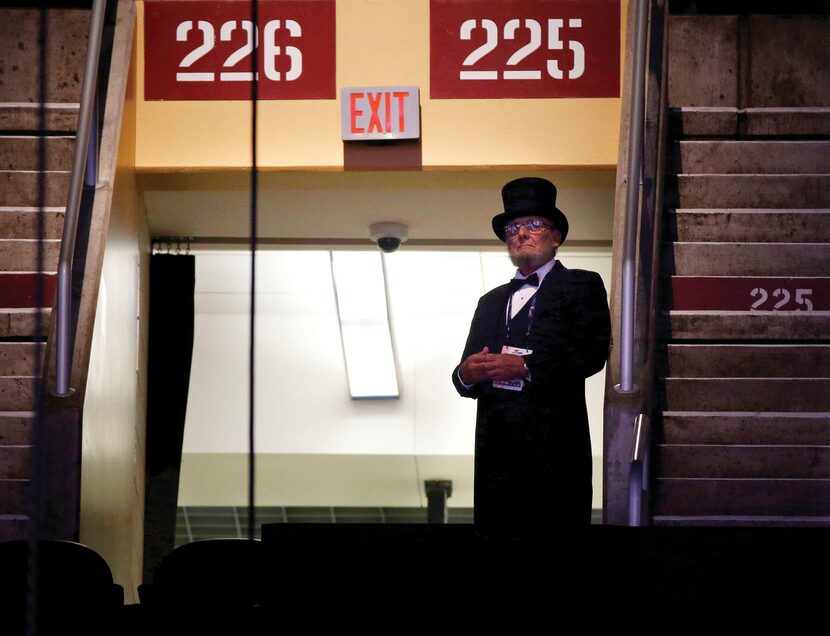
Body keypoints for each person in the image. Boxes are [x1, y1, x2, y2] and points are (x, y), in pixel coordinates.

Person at [452, 177, 611, 534]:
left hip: (556, 446)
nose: (521, 233)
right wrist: (467, 372)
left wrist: (525, 366)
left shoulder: (582, 285)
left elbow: (592, 353)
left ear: (556, 238)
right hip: (496, 450)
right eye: (513, 227)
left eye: (534, 224)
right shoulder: (489, 301)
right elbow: (461, 378)